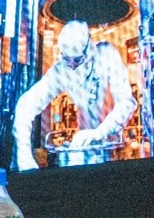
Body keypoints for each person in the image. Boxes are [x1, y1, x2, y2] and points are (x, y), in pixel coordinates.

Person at [13, 20, 137, 171]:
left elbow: (126, 103)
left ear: (89, 48)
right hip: (83, 152)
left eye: (77, 60)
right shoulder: (61, 71)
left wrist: (100, 132)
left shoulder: (106, 54)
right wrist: (23, 153)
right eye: (67, 60)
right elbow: (26, 105)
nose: (72, 66)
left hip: (112, 151)